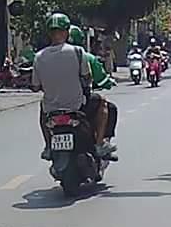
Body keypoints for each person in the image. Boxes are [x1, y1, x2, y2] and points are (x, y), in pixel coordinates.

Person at [31, 13, 114, 161]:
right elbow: (86, 77)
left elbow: (36, 86)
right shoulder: (77, 52)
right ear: (67, 31)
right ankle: (99, 144)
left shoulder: (39, 57)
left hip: (51, 108)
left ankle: (48, 146)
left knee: (42, 108)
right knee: (102, 102)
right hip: (77, 106)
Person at [69, 24, 118, 156]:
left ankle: (48, 146)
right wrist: (107, 82)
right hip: (80, 102)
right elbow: (100, 79)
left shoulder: (46, 56)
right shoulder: (85, 57)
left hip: (54, 104)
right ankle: (100, 143)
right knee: (106, 104)